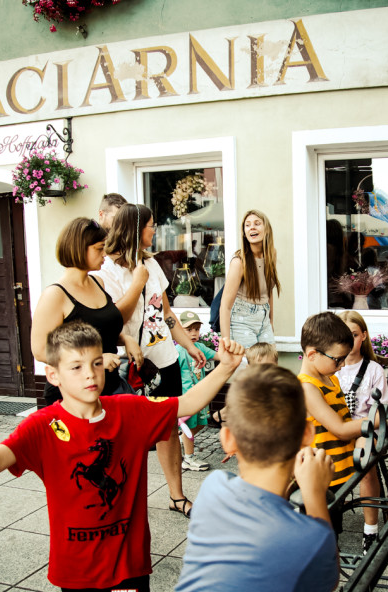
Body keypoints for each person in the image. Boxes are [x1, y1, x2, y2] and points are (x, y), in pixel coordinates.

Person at [0, 322, 245, 592]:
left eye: (96, 363)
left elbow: (186, 403)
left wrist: (226, 367)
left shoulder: (129, 410)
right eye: (76, 367)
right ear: (53, 375)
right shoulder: (42, 426)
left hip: (125, 561)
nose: (89, 375)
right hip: (76, 565)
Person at [144, 365, 338, 592]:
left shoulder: (213, 487)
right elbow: (325, 583)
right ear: (307, 434)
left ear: (228, 439)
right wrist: (315, 494)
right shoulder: (306, 536)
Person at [95, 203, 205, 518]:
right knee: (129, 435)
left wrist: (188, 346)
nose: (155, 231)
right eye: (151, 226)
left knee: (168, 427)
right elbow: (115, 320)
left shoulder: (152, 264)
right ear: (135, 229)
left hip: (165, 360)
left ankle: (176, 496)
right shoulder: (107, 272)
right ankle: (124, 500)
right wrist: (137, 282)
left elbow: (166, 313)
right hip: (135, 366)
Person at [298, 312, 388, 534]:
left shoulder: (329, 378)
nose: (342, 365)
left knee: (332, 535)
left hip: (335, 471)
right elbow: (340, 429)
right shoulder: (307, 387)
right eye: (337, 359)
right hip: (318, 477)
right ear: (312, 354)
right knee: (321, 537)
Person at [30, 217, 142, 405]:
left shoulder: (99, 283)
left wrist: (125, 339)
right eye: (99, 248)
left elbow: (100, 330)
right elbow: (41, 351)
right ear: (79, 248)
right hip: (72, 396)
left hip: (109, 386)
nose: (104, 254)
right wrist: (95, 360)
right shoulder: (55, 295)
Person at [336, 311, 388, 555]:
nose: (348, 341)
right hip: (335, 428)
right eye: (342, 336)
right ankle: (324, 519)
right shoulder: (330, 368)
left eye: (354, 335)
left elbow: (382, 412)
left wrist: (360, 428)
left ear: (363, 337)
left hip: (365, 428)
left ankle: (370, 528)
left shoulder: (373, 370)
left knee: (364, 457)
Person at [219, 210, 281, 348]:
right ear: (244, 233)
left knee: (269, 366)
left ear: (267, 229)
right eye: (247, 225)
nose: (252, 227)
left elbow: (268, 291)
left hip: (263, 319)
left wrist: (270, 322)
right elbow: (225, 305)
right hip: (242, 320)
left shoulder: (271, 255)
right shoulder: (239, 262)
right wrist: (226, 341)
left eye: (257, 223)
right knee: (249, 367)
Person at [175, 310, 216, 472]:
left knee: (200, 424)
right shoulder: (178, 351)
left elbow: (218, 356)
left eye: (197, 329)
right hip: (186, 398)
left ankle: (181, 436)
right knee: (189, 427)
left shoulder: (200, 347)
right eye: (189, 329)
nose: (194, 333)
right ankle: (189, 459)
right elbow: (174, 375)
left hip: (201, 397)